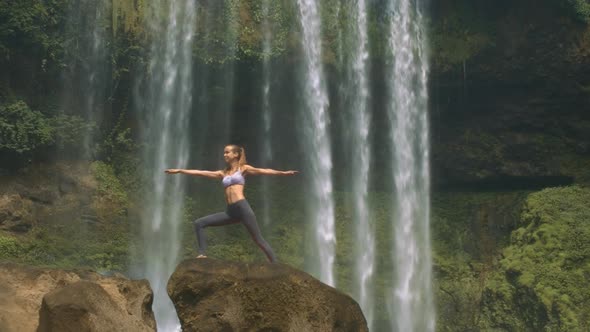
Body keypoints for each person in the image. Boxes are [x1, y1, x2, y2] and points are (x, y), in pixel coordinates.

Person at [165, 144, 298, 263]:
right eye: (224, 152)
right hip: (230, 211)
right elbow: (202, 173)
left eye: (227, 152)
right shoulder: (223, 173)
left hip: (242, 207)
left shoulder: (243, 169)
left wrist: (283, 173)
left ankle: (276, 265)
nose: (225, 154)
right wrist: (180, 171)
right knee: (199, 223)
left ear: (236, 154)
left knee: (258, 239)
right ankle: (202, 254)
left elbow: (264, 170)